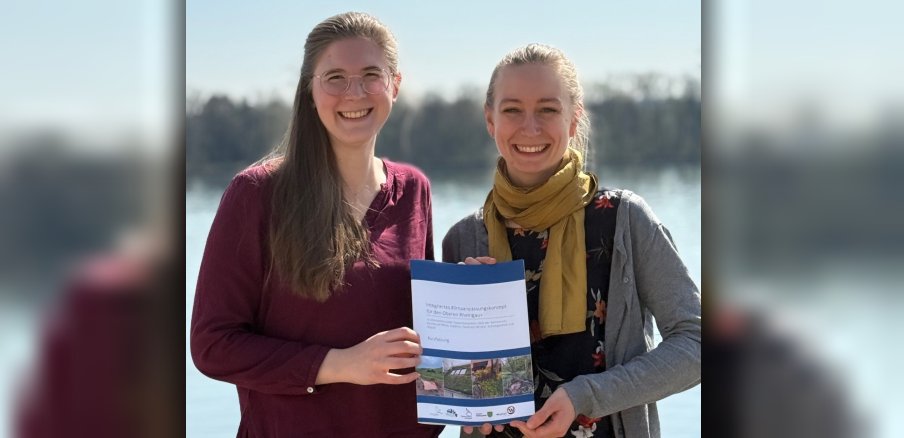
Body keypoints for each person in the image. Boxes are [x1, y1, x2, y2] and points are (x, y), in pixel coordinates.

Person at [190, 12, 442, 437]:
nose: (354, 92)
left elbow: (421, 333)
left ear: (395, 86)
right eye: (336, 77)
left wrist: (472, 300)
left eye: (370, 75)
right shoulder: (256, 194)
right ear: (310, 89)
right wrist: (340, 364)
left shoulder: (414, 190)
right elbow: (213, 345)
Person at [442, 44, 701, 438]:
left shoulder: (625, 220)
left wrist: (586, 395)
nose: (530, 128)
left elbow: (696, 344)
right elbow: (460, 393)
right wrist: (466, 331)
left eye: (548, 109)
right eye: (512, 110)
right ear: (490, 120)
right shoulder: (465, 238)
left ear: (574, 119)